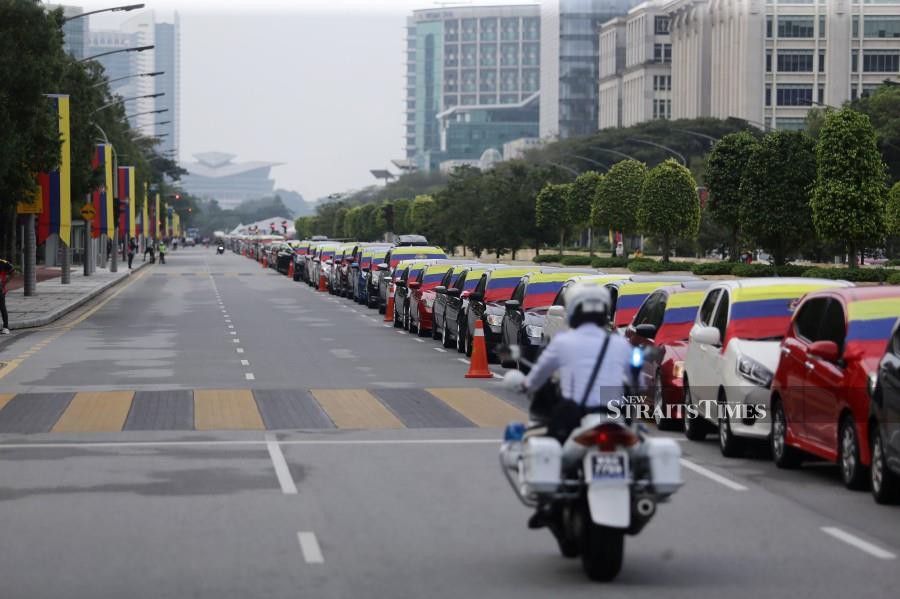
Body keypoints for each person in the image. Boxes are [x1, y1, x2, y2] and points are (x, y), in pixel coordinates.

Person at [0, 258, 14, 335]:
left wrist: (5, 282)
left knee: (2, 307)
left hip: (0, 290)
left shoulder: (3, 263)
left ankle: (5, 327)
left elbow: (13, 271)